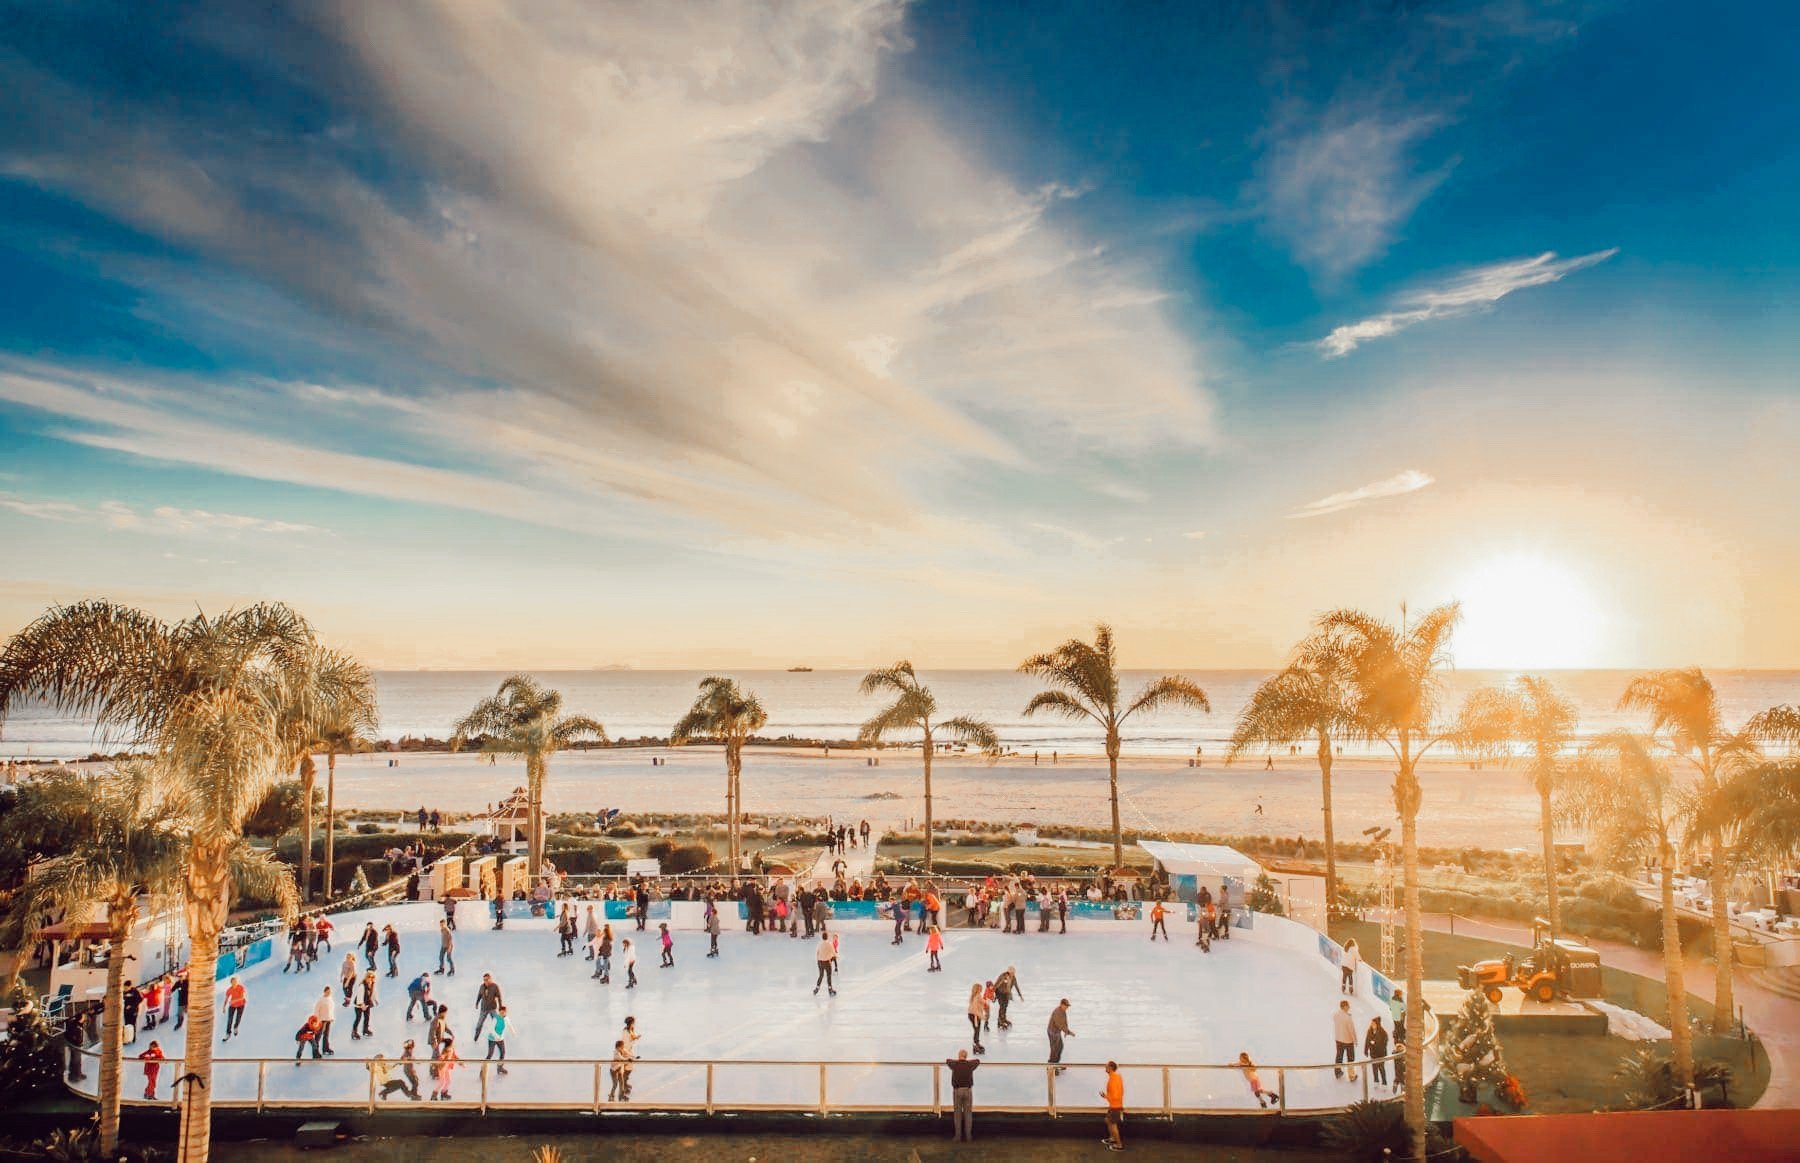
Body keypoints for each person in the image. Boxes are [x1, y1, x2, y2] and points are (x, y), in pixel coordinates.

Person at [947, 1048, 980, 1142]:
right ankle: (968, 1136)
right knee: (968, 1114)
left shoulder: (954, 1065)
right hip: (968, 1091)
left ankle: (958, 1136)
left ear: (958, 1056)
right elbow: (978, 1061)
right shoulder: (970, 1065)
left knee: (957, 1114)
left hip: (957, 1091)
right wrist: (965, 1061)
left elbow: (947, 1060)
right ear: (966, 1057)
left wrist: (959, 1060)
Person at [1101, 1060, 1125, 1151]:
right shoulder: (1116, 1076)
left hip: (1115, 1105)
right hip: (1115, 1104)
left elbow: (1115, 1096)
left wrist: (1106, 1096)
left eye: (1106, 1066)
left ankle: (1119, 1145)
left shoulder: (1113, 1079)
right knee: (1107, 1120)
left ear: (1111, 1068)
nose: (1105, 1068)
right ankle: (1112, 1138)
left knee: (1113, 1124)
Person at [1332, 1000, 1357, 1081]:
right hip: (1348, 1040)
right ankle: (1351, 1075)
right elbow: (1351, 1030)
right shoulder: (1347, 1018)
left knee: (1339, 1056)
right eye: (1348, 1006)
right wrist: (1355, 1040)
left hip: (1338, 1039)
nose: (1349, 1007)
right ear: (1345, 1007)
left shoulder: (1336, 1015)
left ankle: (1337, 1072)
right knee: (1350, 1058)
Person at [1047, 999, 1073, 1072]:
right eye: (1066, 1005)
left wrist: (1066, 1030)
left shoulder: (1063, 1011)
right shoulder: (1057, 1012)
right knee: (1054, 1050)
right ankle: (1051, 1068)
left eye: (1068, 1006)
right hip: (1053, 1032)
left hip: (1057, 1032)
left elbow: (1064, 1021)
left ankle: (1056, 1064)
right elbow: (1060, 1024)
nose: (1067, 1007)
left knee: (1060, 1047)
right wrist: (1068, 1031)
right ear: (1061, 1004)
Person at [474, 973, 503, 1038]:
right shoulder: (482, 986)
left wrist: (500, 1007)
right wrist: (477, 1003)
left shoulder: (495, 986)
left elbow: (499, 997)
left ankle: (498, 1035)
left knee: (496, 1022)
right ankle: (476, 1035)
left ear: (490, 979)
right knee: (479, 1024)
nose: (485, 981)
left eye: (487, 980)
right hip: (484, 1008)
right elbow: (479, 995)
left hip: (492, 1008)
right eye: (484, 980)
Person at [431, 1034, 459, 1101]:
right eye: (452, 1043)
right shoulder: (447, 1049)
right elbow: (443, 1054)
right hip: (442, 1067)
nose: (453, 1044)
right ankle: (433, 1096)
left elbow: (455, 1056)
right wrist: (441, 1057)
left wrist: (461, 1063)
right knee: (442, 1082)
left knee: (448, 1081)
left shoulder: (451, 1048)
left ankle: (444, 1093)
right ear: (450, 1044)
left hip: (446, 1067)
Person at [1365, 1016, 1390, 1089]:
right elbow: (1367, 1040)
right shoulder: (1369, 1031)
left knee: (1381, 1068)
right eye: (1371, 1023)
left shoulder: (1382, 1032)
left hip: (1380, 1053)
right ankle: (1376, 1081)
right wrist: (1366, 1050)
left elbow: (1385, 1042)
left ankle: (1384, 1083)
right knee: (1374, 1068)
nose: (1372, 1025)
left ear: (1377, 1024)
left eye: (1374, 1023)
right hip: (1373, 1053)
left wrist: (1375, 1042)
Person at [485, 1006, 511, 1075]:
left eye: (504, 1012)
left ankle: (500, 1067)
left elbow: (509, 1024)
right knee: (490, 1054)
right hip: (492, 1039)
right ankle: (483, 1070)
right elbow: (491, 1029)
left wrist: (513, 1031)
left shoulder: (505, 1019)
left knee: (503, 1052)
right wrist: (497, 1036)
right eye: (501, 1012)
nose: (503, 1014)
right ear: (499, 1012)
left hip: (500, 1039)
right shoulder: (495, 1019)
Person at [352, 971, 378, 1039]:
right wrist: (362, 1004)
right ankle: (354, 1032)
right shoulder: (362, 985)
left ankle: (365, 1030)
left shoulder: (372, 984)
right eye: (369, 977)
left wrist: (375, 999)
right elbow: (360, 996)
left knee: (367, 1017)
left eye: (372, 977)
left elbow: (373, 992)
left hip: (367, 1003)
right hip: (359, 1005)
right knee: (358, 1018)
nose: (370, 978)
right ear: (366, 977)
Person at [312, 985, 337, 1056]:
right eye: (327, 992)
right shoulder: (321, 1000)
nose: (329, 993)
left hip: (328, 1019)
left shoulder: (330, 999)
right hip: (321, 1020)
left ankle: (325, 1048)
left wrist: (331, 1017)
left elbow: (331, 1009)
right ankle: (315, 1052)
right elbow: (316, 1010)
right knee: (318, 1036)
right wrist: (317, 1020)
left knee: (326, 1035)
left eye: (330, 992)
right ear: (324, 992)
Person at [64, 1011, 87, 1082]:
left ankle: (77, 1074)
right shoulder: (77, 1027)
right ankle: (76, 1076)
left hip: (74, 1046)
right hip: (76, 1046)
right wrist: (80, 1044)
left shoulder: (75, 1024)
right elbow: (77, 1039)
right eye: (84, 1017)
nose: (85, 1018)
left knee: (76, 1061)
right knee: (76, 1061)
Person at [966, 983, 988, 1055]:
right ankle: (976, 1044)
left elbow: (981, 1001)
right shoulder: (976, 997)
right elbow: (975, 1009)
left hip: (973, 1015)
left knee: (977, 1029)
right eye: (980, 988)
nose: (982, 989)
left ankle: (976, 1043)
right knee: (977, 1029)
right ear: (978, 989)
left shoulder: (977, 995)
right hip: (974, 1015)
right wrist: (982, 1016)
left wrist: (985, 1002)